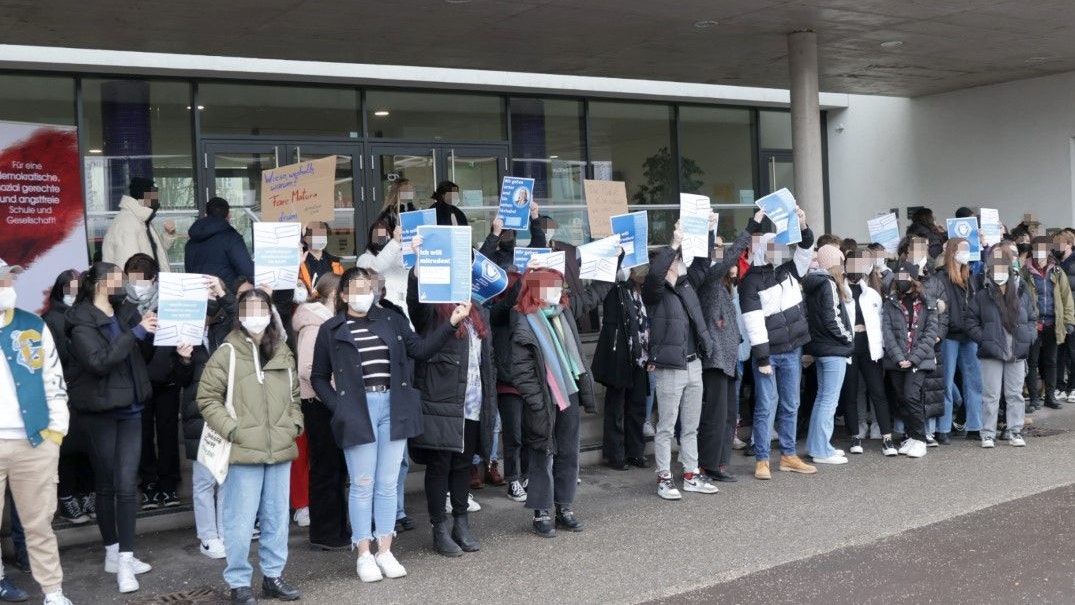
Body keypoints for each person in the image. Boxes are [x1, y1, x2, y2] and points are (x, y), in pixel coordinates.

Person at [311, 267, 467, 582]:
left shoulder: (391, 320)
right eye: (356, 288)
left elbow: (421, 350)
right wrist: (339, 407)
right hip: (357, 409)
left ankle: (385, 549)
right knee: (362, 483)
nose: (363, 294)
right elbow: (318, 377)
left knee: (386, 483)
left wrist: (451, 323)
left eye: (367, 287)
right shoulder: (330, 329)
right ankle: (363, 553)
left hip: (393, 406)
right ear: (344, 295)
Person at [197, 288, 303, 605]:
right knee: (239, 522)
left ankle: (273, 576)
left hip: (279, 448)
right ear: (240, 315)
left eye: (261, 309)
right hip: (243, 451)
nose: (256, 316)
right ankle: (239, 583)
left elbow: (294, 395)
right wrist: (232, 430)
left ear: (270, 313)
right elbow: (207, 398)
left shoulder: (282, 350)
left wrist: (294, 424)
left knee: (277, 519)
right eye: (249, 309)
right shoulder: (227, 352)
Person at [65, 262, 157, 593]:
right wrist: (136, 333)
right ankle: (113, 553)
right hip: (100, 411)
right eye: (120, 278)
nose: (126, 284)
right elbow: (99, 362)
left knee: (126, 483)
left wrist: (148, 333)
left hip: (131, 407)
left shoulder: (125, 312)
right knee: (107, 483)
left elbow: (141, 354)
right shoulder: (80, 321)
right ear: (103, 284)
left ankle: (125, 559)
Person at [407, 267, 497, 557]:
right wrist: (416, 274)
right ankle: (439, 529)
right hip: (442, 403)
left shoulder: (477, 310)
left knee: (462, 464)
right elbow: (415, 306)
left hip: (472, 402)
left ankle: (461, 522)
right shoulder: (433, 309)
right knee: (439, 466)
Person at [0, 259, 74, 605]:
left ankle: (53, 591)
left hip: (34, 441)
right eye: (1, 281)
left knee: (39, 524)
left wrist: (55, 434)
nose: (8, 287)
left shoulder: (32, 324)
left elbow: (54, 380)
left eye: (9, 280)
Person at [642, 214, 720, 500]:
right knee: (666, 426)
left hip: (693, 363)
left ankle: (690, 473)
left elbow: (703, 263)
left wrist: (709, 230)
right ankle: (664, 477)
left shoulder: (687, 285)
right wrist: (674, 243)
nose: (678, 263)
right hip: (670, 367)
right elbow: (655, 275)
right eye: (674, 260)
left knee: (690, 426)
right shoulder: (654, 292)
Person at [512, 267, 594, 535]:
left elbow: (594, 296)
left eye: (560, 286)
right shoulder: (524, 319)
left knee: (569, 451)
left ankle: (564, 507)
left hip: (568, 391)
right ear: (538, 289)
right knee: (542, 453)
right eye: (553, 286)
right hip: (543, 397)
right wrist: (536, 401)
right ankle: (541, 511)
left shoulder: (563, 313)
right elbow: (521, 370)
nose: (559, 291)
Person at [739, 207, 817, 480]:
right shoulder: (749, 282)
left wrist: (803, 223)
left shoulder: (788, 270)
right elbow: (753, 323)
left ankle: (788, 455)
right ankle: (762, 459)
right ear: (763, 250)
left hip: (793, 349)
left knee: (791, 404)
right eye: (773, 248)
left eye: (780, 248)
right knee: (766, 405)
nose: (778, 252)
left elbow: (806, 248)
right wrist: (762, 358)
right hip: (769, 354)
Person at [292, 273, 351, 551]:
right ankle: (325, 532)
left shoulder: (327, 322)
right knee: (326, 469)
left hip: (328, 401)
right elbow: (307, 368)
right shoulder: (314, 325)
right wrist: (339, 380)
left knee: (336, 468)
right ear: (336, 295)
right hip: (318, 404)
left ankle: (337, 528)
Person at [177, 276, 235, 560]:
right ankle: (208, 537)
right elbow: (176, 378)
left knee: (226, 478)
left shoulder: (224, 330)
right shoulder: (180, 335)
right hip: (197, 415)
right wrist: (184, 359)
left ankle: (225, 532)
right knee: (204, 481)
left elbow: (241, 316)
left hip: (227, 412)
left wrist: (222, 292)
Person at [123, 254, 182, 509]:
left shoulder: (170, 302)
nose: (137, 286)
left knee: (168, 435)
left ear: (154, 279)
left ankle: (169, 485)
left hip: (166, 379)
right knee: (143, 435)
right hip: (137, 381)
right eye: (132, 280)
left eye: (142, 281)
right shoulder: (122, 306)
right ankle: (148, 484)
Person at [697, 222, 753, 482]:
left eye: (722, 246)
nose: (722, 250)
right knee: (717, 415)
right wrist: (748, 230)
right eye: (716, 246)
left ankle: (720, 463)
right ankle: (710, 464)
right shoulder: (707, 278)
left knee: (729, 414)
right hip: (715, 359)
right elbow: (724, 260)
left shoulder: (721, 283)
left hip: (728, 358)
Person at [967, 250, 1035, 448]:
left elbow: (1032, 318)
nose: (998, 273)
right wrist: (985, 339)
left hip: (1017, 351)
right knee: (991, 395)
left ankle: (1015, 431)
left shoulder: (1021, 293)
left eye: (1001, 268)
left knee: (1015, 394)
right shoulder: (982, 295)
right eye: (994, 269)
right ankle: (988, 433)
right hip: (991, 352)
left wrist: (1028, 336)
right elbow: (970, 321)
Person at [44, 270, 96, 524]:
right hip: (64, 391)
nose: (73, 293)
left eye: (77, 288)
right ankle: (67, 499)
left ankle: (87, 495)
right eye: (68, 288)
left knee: (89, 447)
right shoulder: (49, 319)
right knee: (68, 448)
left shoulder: (88, 314)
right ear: (59, 290)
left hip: (90, 390)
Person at [592, 264, 651, 472]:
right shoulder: (615, 288)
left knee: (637, 407)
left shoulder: (641, 291)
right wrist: (619, 259)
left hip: (640, 356)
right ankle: (615, 454)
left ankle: (635, 451)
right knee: (616, 407)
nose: (644, 274)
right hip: (619, 353)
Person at [839, 251, 896, 456]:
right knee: (851, 391)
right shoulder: (839, 291)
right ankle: (855, 436)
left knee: (878, 391)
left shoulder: (872, 293)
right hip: (848, 346)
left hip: (870, 348)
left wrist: (882, 348)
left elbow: (881, 322)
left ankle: (887, 438)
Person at [881, 263, 941, 459]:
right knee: (901, 398)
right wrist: (899, 358)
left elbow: (930, 333)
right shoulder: (890, 302)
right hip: (896, 360)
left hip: (919, 360)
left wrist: (913, 359)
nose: (902, 280)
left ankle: (920, 438)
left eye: (906, 276)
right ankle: (912, 437)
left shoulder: (927, 302)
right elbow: (887, 332)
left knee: (911, 396)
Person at [803, 244, 854, 465]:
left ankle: (817, 446)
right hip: (834, 348)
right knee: (829, 401)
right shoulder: (828, 284)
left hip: (821, 348)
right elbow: (832, 318)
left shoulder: (813, 283)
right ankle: (822, 450)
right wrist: (848, 338)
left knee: (822, 398)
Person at [934, 238, 984, 444]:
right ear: (953, 251)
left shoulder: (969, 277)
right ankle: (943, 428)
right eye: (963, 248)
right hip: (949, 335)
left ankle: (975, 426)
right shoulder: (941, 277)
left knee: (975, 381)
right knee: (945, 382)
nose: (966, 252)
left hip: (969, 335)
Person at [488, 271, 530, 501]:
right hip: (508, 383)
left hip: (528, 381)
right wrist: (527, 275)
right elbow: (508, 302)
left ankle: (527, 476)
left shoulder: (527, 310)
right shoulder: (498, 311)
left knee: (529, 432)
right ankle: (513, 479)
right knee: (513, 435)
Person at [1022, 235, 1075, 411]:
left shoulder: (1057, 271)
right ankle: (1034, 399)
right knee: (1032, 362)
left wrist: (1069, 321)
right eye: (1037, 249)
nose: (1040, 253)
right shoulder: (1025, 271)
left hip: (1053, 322)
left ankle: (1050, 396)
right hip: (1032, 323)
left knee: (1051, 361)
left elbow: (1066, 298)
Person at [101, 177, 177, 271]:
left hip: (152, 279)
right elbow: (131, 269)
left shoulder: (141, 220)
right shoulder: (127, 224)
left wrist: (168, 235)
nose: (157, 200)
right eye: (154, 196)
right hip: (144, 280)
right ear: (142, 196)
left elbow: (155, 251)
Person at [185, 197, 254, 285]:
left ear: (206, 214)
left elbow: (189, 273)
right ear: (228, 215)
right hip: (225, 291)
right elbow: (248, 270)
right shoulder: (231, 237)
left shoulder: (191, 243)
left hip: (199, 291)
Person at [356, 220, 409, 322]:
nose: (381, 237)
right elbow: (377, 266)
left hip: (405, 311)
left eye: (384, 234)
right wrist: (395, 243)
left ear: (389, 236)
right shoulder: (364, 259)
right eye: (377, 234)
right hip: (383, 311)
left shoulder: (399, 256)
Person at [478, 202, 545, 270]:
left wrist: (535, 217)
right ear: (499, 238)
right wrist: (495, 234)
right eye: (504, 234)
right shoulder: (494, 257)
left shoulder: (522, 254)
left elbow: (539, 246)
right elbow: (480, 261)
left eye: (510, 233)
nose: (508, 236)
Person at [1054, 230, 1075, 403]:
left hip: (1071, 313)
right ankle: (1060, 386)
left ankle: (1073, 387)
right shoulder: (1056, 263)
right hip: (1058, 314)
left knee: (1072, 352)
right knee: (1058, 353)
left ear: (1069, 244)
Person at [298, 222, 343, 302]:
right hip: (308, 306)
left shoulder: (335, 262)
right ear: (305, 238)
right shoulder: (299, 262)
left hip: (331, 306)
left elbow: (342, 287)